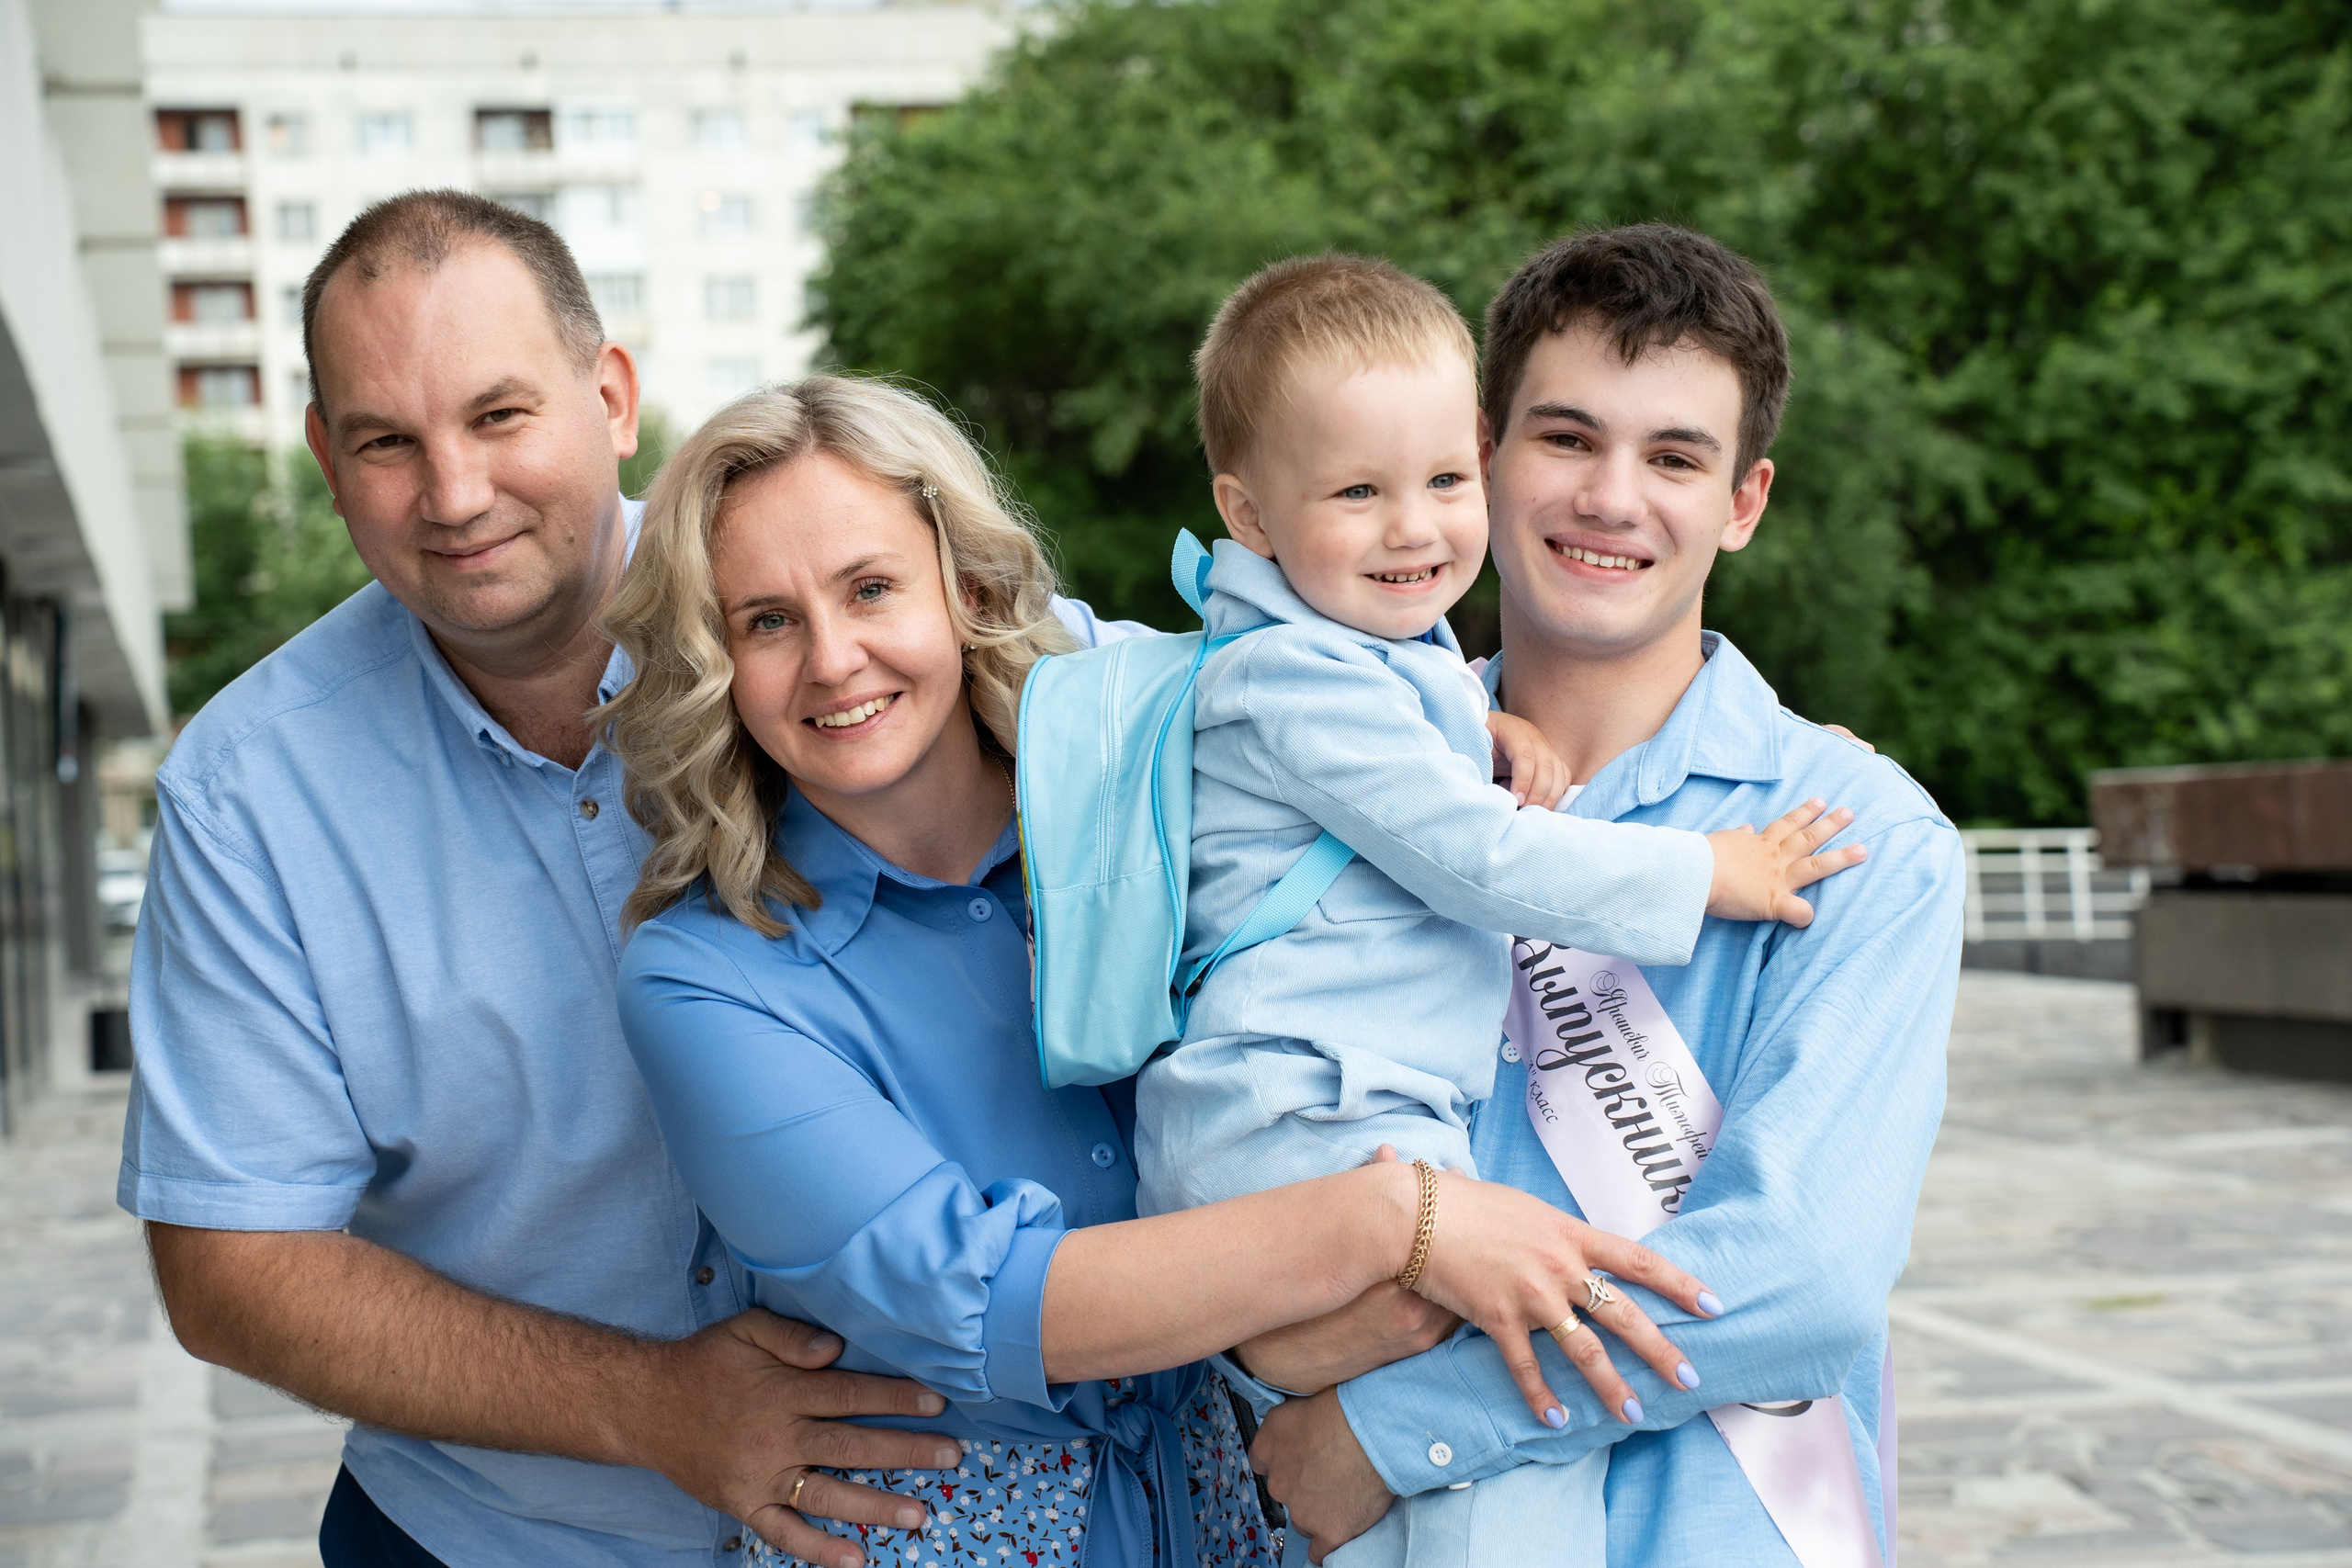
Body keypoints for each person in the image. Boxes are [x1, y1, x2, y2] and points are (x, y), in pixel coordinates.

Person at [601, 376, 1726, 1568]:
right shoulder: (705, 981)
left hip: (1262, 1510)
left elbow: (1356, 706)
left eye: (872, 588)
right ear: (710, 658)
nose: (835, 658)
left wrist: (1470, 728)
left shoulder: (1166, 758)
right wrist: (1393, 1219)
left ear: (965, 589)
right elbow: (982, 1302)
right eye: (765, 621)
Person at [116, 191, 1047, 1568]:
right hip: (501, 1536)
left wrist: (1476, 730)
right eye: (386, 442)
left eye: (499, 416)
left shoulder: (834, 610)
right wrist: (658, 1408)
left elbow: (1185, 721)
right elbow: (233, 1265)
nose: (454, 495)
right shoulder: (249, 792)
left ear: (609, 395)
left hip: (958, 1518)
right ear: (325, 456)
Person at [1240, 223, 1964, 1567]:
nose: (1610, 497)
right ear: (1483, 449)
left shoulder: (1860, 835)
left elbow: (1799, 1279)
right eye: (1566, 438)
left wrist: (1401, 1427)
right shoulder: (1310, 767)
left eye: (1675, 457)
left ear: (1744, 503)